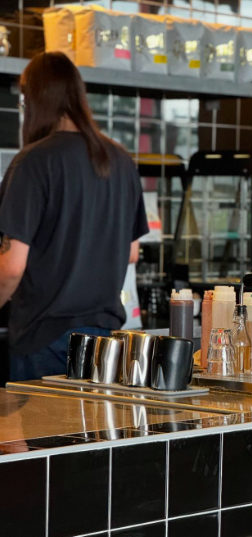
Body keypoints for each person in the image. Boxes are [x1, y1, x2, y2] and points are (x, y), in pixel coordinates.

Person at [0, 52, 149, 381]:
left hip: (44, 338)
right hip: (104, 341)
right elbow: (131, 253)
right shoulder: (121, 160)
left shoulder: (34, 161)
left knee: (39, 433)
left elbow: (11, 267)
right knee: (89, 433)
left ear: (35, 99)